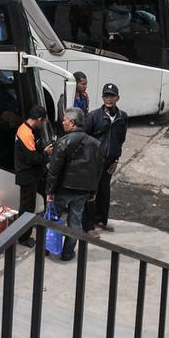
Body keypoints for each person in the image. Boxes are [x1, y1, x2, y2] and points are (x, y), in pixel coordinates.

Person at [46, 108, 103, 261]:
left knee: (52, 219)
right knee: (75, 223)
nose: (62, 122)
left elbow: (54, 170)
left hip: (63, 189)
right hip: (83, 191)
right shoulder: (95, 144)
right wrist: (93, 191)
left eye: (65, 120)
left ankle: (47, 248)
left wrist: (49, 191)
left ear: (72, 123)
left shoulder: (63, 142)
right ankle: (67, 253)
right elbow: (98, 171)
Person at [83, 83, 128, 236]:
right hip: (95, 161)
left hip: (110, 161)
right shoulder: (94, 116)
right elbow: (85, 137)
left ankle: (101, 220)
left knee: (104, 190)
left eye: (112, 96)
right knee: (91, 192)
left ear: (118, 98)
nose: (109, 99)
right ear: (102, 98)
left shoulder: (122, 117)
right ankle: (88, 226)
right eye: (106, 96)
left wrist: (116, 160)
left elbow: (121, 139)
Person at [13, 105, 52, 248]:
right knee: (27, 208)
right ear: (39, 119)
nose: (43, 124)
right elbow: (33, 158)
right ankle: (23, 237)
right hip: (27, 176)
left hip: (36, 173)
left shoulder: (31, 130)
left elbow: (36, 150)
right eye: (43, 121)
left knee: (48, 193)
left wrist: (43, 150)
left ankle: (48, 224)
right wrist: (46, 153)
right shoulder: (25, 133)